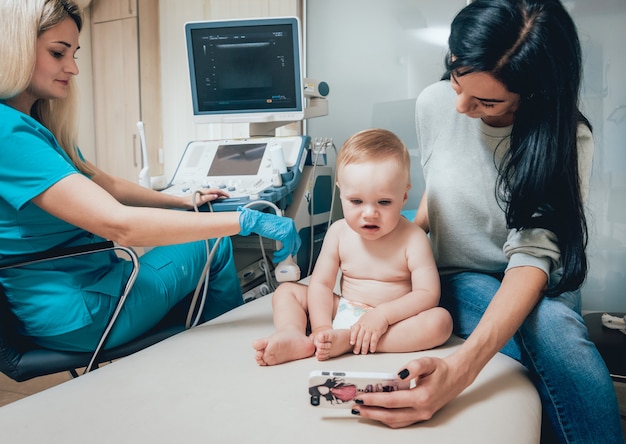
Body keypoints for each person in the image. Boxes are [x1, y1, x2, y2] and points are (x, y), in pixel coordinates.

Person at [350, 1, 624, 443]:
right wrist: (376, 248)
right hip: (462, 277)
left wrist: (456, 374)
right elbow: (438, 202)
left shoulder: (567, 139)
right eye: (457, 78)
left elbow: (533, 257)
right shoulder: (434, 103)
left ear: (533, 91)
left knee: (556, 330)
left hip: (536, 280)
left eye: (486, 100)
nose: (459, 106)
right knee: (551, 346)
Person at [0, 0, 300, 353]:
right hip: (82, 313)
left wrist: (181, 200)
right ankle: (228, 357)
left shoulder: (33, 127)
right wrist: (244, 219)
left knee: (191, 232)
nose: (72, 68)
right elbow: (120, 225)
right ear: (15, 50)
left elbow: (104, 184)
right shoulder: (10, 135)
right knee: (214, 246)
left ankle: (199, 346)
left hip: (79, 296)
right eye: (58, 53)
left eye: (74, 55)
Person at [253, 129, 452, 365]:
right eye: (356, 201)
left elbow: (427, 294)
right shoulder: (338, 232)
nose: (369, 214)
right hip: (344, 309)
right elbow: (321, 284)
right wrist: (321, 326)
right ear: (341, 192)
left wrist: (383, 315)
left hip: (392, 322)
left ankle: (348, 341)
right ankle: (294, 334)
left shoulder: (413, 239)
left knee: (440, 322)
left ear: (404, 196)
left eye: (384, 202)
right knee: (286, 292)